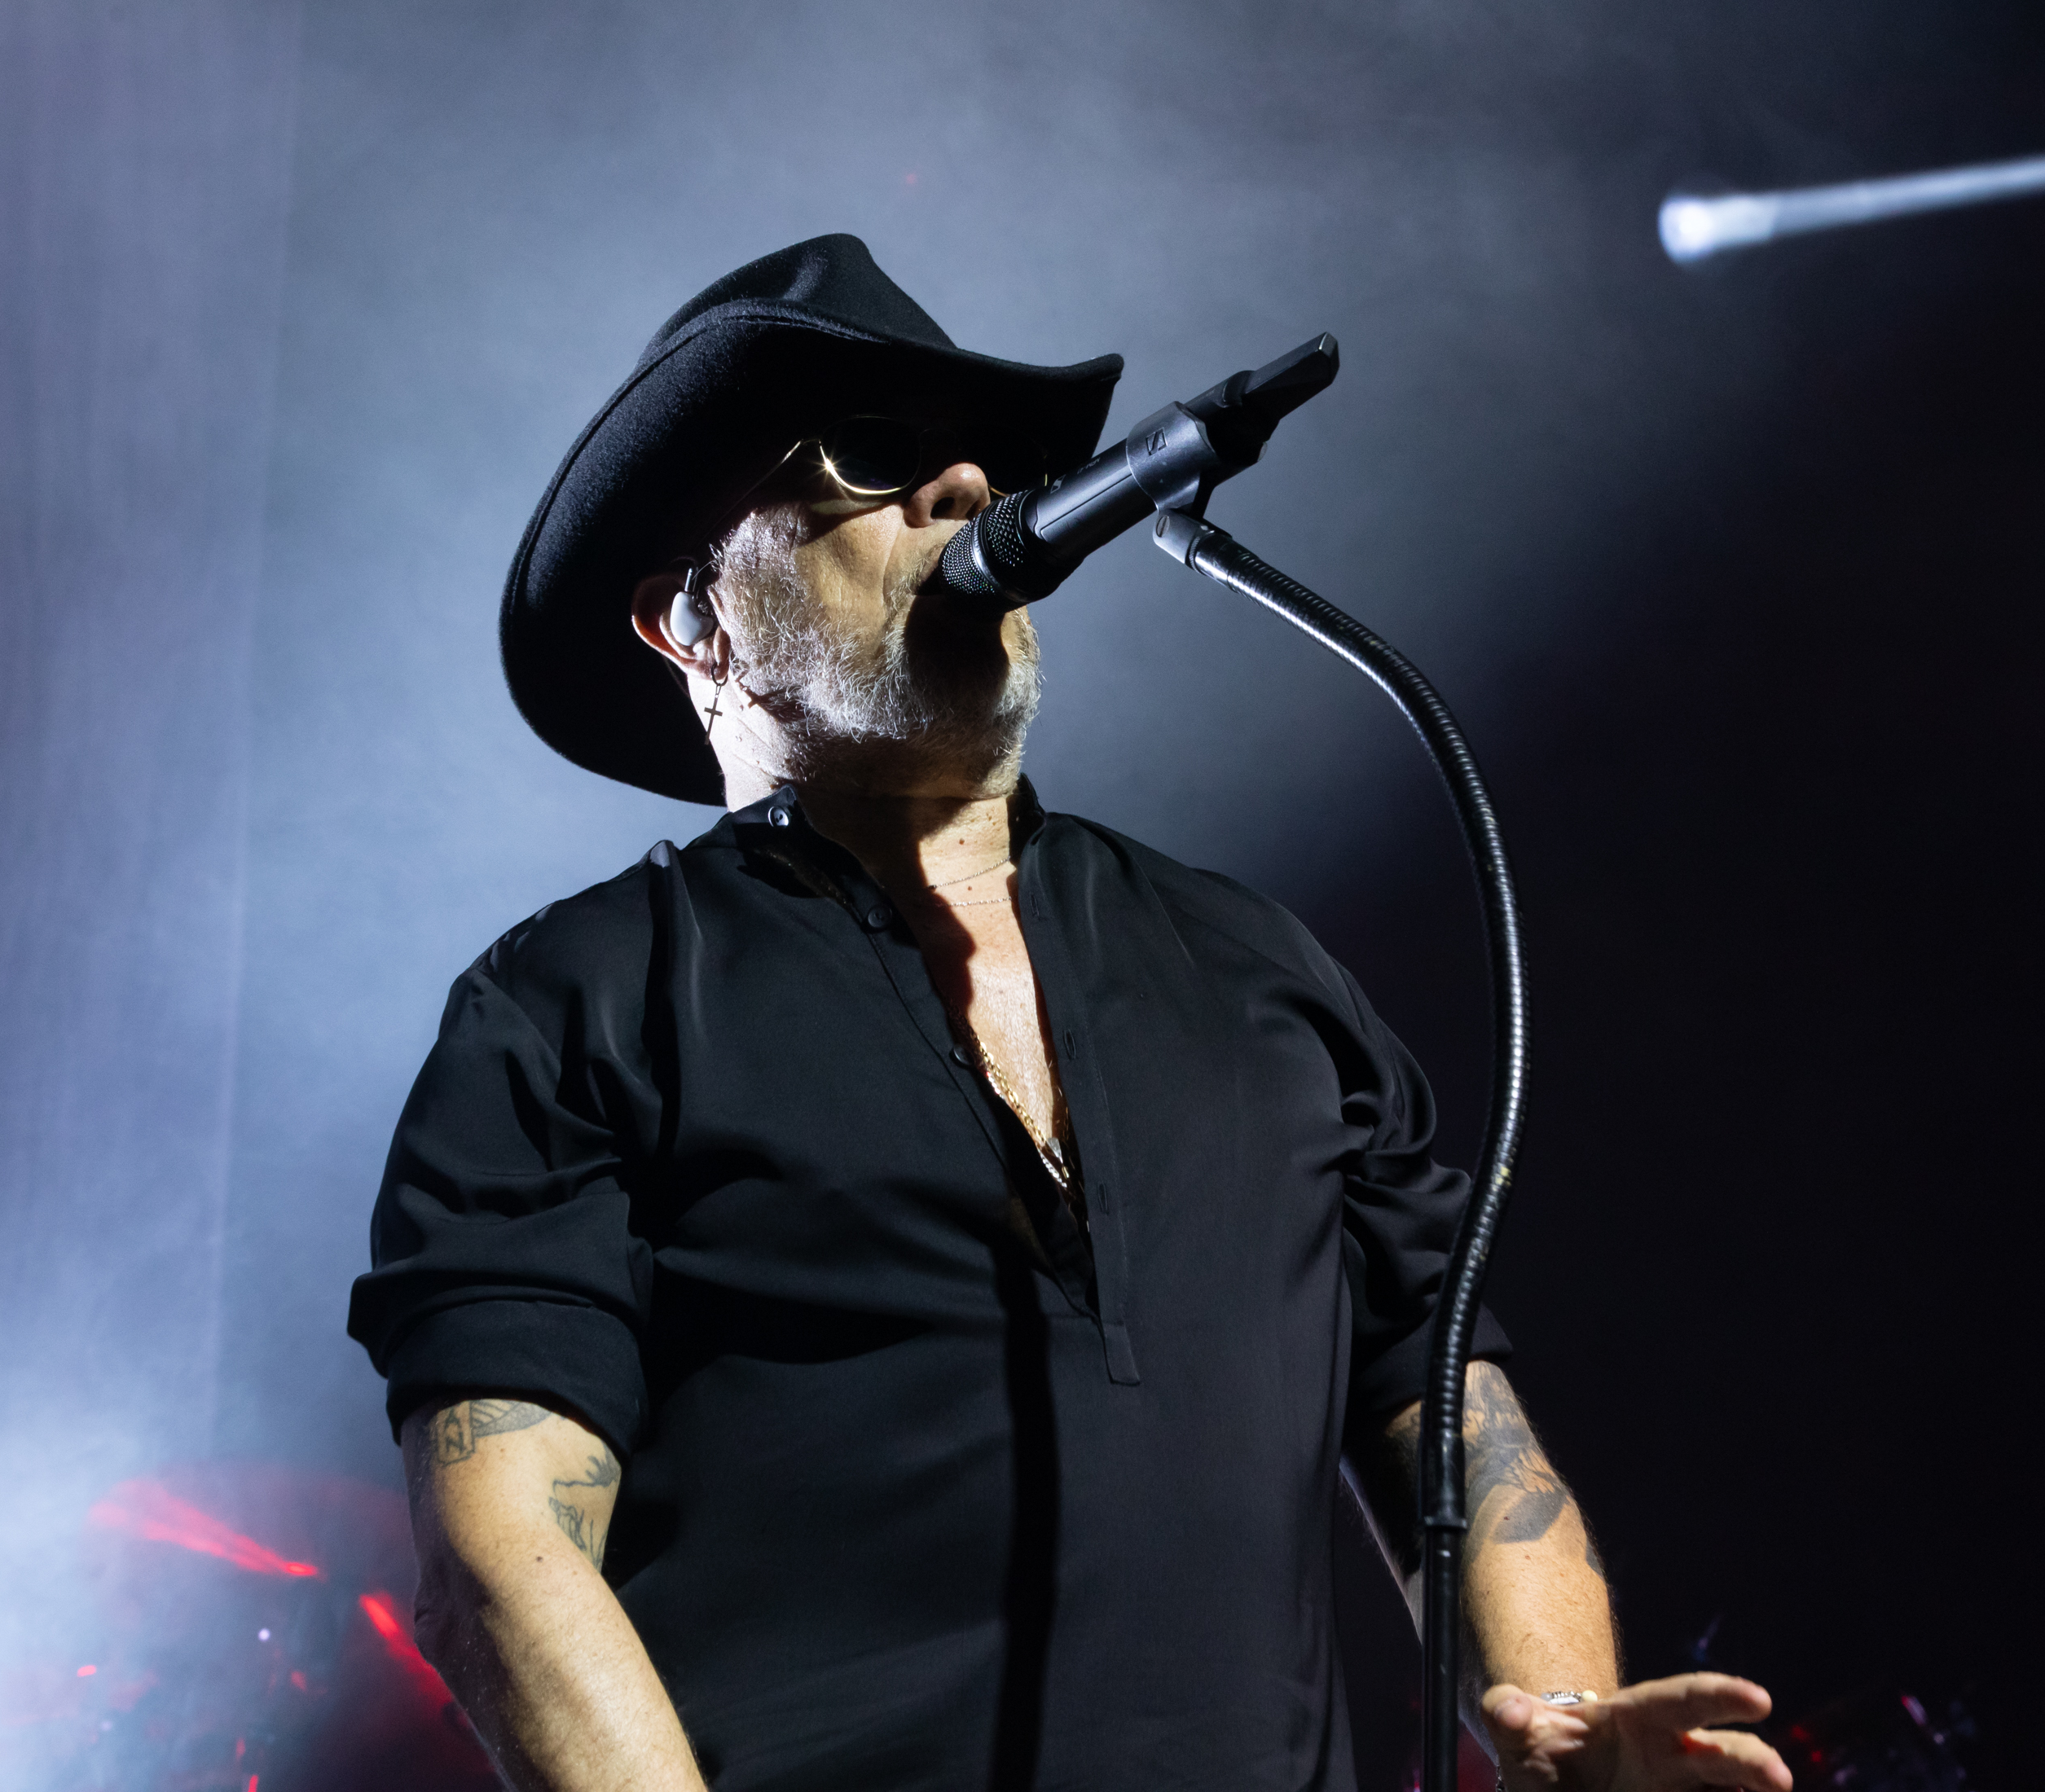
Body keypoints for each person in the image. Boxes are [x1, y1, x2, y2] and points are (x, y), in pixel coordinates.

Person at [348, 235, 1791, 1792]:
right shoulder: (574, 1006)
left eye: (986, 460)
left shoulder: (1257, 968)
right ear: (692, 621)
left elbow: (1457, 1425)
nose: (968, 487)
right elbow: (501, 1558)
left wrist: (1560, 1722)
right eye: (874, 455)